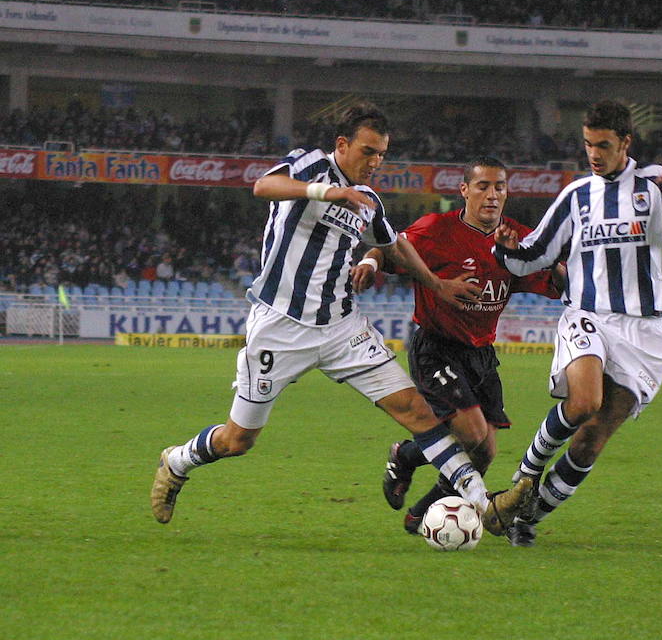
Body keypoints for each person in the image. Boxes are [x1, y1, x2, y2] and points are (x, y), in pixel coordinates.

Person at [150, 102, 533, 536]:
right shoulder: (311, 165)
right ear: (342, 145)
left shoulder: (368, 200)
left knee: (419, 412)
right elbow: (263, 186)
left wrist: (437, 284)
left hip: (341, 327)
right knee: (238, 440)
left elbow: (394, 245)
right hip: (280, 326)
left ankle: (484, 503)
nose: (375, 162)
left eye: (382, 154)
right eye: (368, 151)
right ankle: (177, 460)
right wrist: (328, 193)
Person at [492, 100, 662, 546]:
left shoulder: (658, 186)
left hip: (645, 334)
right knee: (583, 402)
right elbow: (535, 256)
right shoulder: (576, 195)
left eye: (603, 145)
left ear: (626, 142)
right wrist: (506, 248)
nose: (594, 154)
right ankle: (524, 474)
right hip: (588, 316)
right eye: (587, 145)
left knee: (590, 441)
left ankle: (525, 518)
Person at [352, 155, 564, 534]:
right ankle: (411, 459)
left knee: (485, 452)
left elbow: (553, 280)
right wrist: (368, 264)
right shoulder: (436, 229)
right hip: (436, 346)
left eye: (499, 187)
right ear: (464, 190)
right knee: (469, 433)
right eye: (482, 186)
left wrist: (568, 264)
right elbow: (387, 248)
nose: (492, 195)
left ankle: (421, 505)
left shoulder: (519, 237)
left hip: (481, 353)